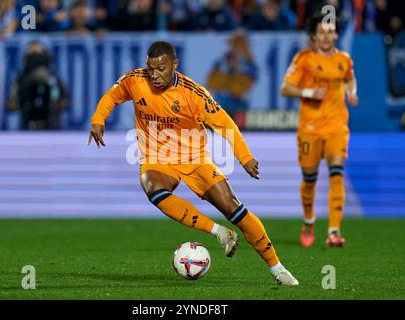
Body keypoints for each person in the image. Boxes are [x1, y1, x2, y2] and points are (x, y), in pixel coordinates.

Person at [88, 41, 299, 286]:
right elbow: (112, 96)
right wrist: (98, 119)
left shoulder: (194, 94)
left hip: (195, 160)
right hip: (157, 159)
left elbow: (226, 125)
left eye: (161, 69)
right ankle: (218, 232)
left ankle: (277, 268)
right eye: (151, 69)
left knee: (235, 210)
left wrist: (245, 157)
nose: (154, 75)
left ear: (174, 65)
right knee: (154, 190)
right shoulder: (135, 80)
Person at [280, 13, 359, 248]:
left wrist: (352, 92)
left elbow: (349, 79)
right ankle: (308, 220)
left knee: (336, 173)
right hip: (310, 128)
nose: (326, 36)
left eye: (330, 31)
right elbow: (285, 88)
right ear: (314, 36)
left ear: (336, 35)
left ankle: (334, 231)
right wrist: (308, 93)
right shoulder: (303, 59)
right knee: (309, 179)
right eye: (322, 32)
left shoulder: (344, 59)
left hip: (337, 126)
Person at [7, 41, 69, 130]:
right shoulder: (21, 78)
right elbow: (11, 104)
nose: (36, 58)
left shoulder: (53, 78)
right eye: (33, 53)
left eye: (39, 53)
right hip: (28, 125)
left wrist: (53, 101)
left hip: (51, 126)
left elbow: (64, 101)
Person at [206, 28, 258, 118]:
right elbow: (211, 82)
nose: (238, 46)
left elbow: (250, 82)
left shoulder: (249, 62)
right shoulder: (223, 60)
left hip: (240, 101)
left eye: (241, 43)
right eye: (236, 42)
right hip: (223, 100)